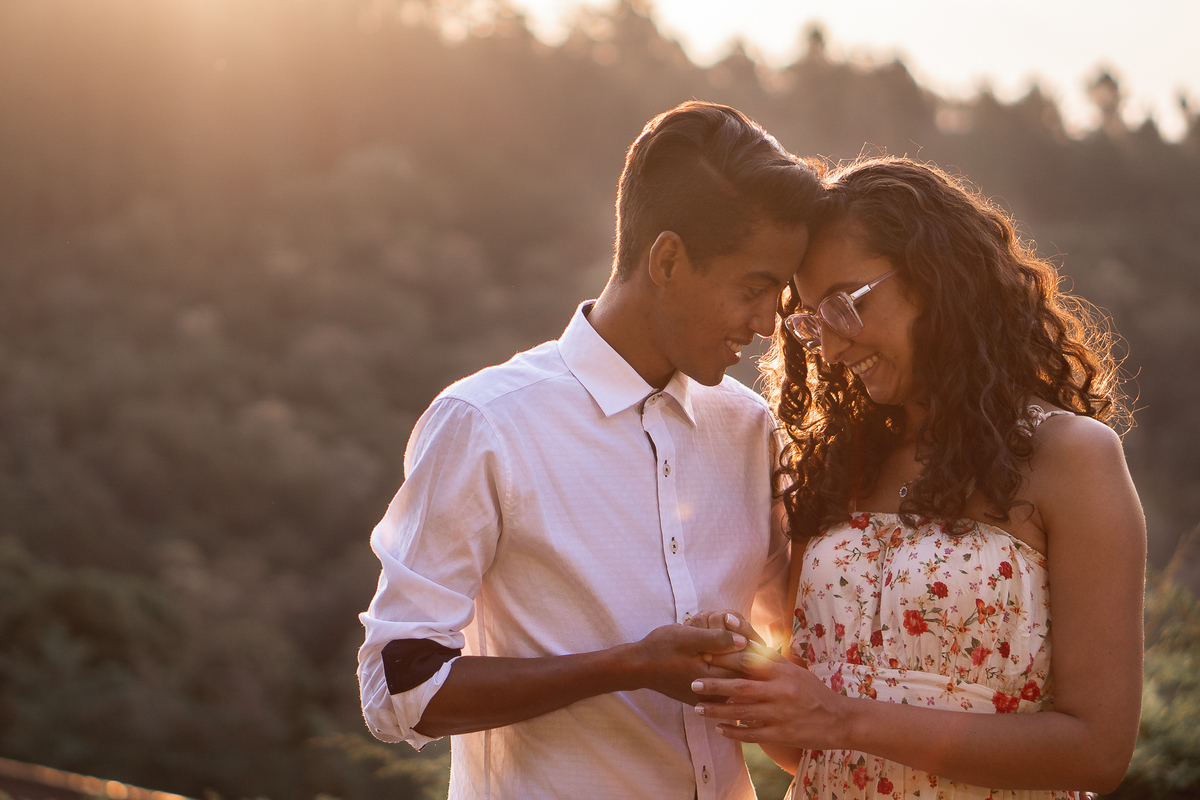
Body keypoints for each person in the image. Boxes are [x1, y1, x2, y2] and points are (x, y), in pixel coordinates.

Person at [357, 101, 823, 800]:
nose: (766, 324)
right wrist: (626, 666)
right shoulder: (487, 424)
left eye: (779, 296)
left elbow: (786, 646)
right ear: (667, 259)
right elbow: (400, 685)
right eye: (753, 289)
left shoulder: (750, 427)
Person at [688, 156, 1145, 799]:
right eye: (814, 320)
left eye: (846, 305)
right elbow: (805, 748)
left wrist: (845, 719)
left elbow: (1096, 751)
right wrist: (751, 676)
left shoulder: (1072, 458)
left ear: (937, 277)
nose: (831, 347)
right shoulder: (835, 464)